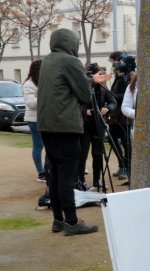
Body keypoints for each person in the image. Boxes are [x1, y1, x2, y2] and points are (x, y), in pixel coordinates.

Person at [37, 28, 112, 236]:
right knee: (67, 176)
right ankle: (71, 222)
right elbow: (83, 95)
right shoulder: (70, 61)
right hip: (66, 126)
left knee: (55, 174)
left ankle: (58, 220)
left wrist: (90, 81)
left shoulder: (48, 61)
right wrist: (91, 83)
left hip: (47, 125)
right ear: (71, 43)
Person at [78, 63, 117, 192]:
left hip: (98, 124)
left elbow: (113, 102)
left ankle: (97, 180)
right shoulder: (83, 88)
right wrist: (85, 111)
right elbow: (76, 104)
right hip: (85, 125)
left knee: (98, 154)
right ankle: (80, 181)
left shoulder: (103, 87)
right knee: (82, 154)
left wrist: (107, 108)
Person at [108, 51, 133, 181]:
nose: (113, 64)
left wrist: (112, 95)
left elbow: (127, 96)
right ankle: (122, 164)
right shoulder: (119, 77)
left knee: (126, 141)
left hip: (123, 117)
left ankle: (127, 167)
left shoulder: (127, 77)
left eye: (113, 61)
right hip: (115, 115)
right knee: (113, 139)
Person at [23, 59, 47, 182]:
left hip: (46, 118)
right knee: (38, 145)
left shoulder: (43, 81)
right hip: (34, 119)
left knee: (50, 145)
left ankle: (48, 170)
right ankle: (41, 172)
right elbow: (31, 104)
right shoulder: (29, 84)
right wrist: (45, 96)